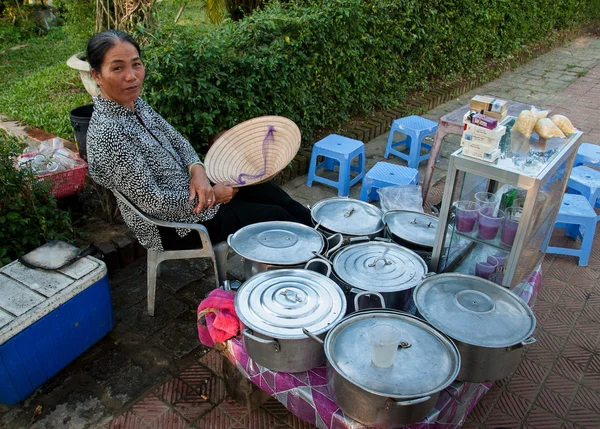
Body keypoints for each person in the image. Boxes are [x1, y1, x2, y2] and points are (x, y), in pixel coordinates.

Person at [85, 30, 312, 251]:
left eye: (136, 64)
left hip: (196, 191)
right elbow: (155, 203)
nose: (131, 76)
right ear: (97, 76)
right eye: (117, 68)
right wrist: (214, 196)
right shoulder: (108, 133)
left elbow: (177, 140)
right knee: (275, 217)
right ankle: (315, 256)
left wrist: (197, 169)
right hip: (175, 226)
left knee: (265, 188)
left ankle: (322, 232)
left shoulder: (135, 104)